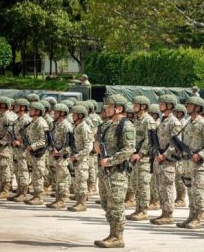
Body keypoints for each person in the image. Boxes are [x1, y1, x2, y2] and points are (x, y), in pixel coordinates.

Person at [94, 94, 135, 248]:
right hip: (104, 172)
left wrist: (110, 161)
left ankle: (118, 237)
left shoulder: (126, 126)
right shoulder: (106, 125)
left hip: (117, 172)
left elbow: (129, 149)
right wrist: (96, 145)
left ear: (119, 108)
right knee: (106, 204)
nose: (107, 108)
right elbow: (97, 139)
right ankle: (112, 233)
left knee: (116, 205)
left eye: (111, 106)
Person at [176, 97, 204, 229]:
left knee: (198, 192)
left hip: (198, 164)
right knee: (190, 191)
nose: (187, 106)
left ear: (197, 107)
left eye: (190, 105)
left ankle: (197, 218)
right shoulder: (188, 123)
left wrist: (200, 155)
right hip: (187, 163)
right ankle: (191, 216)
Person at [151, 95, 184, 225]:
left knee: (167, 187)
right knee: (160, 187)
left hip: (168, 160)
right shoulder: (161, 121)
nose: (160, 105)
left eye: (162, 103)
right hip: (159, 159)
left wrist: (164, 155)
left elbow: (176, 143)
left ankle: (168, 214)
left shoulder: (174, 122)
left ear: (170, 105)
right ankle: (163, 212)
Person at [126, 96, 157, 221]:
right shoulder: (136, 120)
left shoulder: (148, 120)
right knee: (135, 183)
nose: (133, 106)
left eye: (136, 104)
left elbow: (149, 140)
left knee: (143, 184)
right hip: (135, 157)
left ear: (143, 106)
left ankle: (143, 210)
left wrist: (140, 154)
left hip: (144, 158)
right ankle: (138, 208)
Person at [67, 105, 94, 212]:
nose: (72, 116)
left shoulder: (84, 128)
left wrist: (77, 156)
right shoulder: (77, 127)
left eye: (74, 114)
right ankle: (78, 201)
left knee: (82, 181)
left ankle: (82, 203)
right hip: (75, 158)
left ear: (80, 115)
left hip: (82, 160)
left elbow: (89, 147)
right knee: (77, 181)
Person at [0, 97, 18, 199]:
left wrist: (1, 141)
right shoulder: (1, 116)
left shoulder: (8, 117)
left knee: (5, 168)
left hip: (6, 147)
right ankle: (2, 188)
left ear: (4, 105)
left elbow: (10, 133)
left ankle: (6, 190)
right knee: (0, 168)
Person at [47, 104, 73, 209]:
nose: (54, 114)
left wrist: (61, 152)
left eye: (57, 112)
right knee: (58, 178)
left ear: (62, 113)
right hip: (55, 155)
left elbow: (70, 143)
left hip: (63, 156)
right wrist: (52, 149)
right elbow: (51, 140)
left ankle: (61, 200)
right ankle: (58, 198)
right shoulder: (56, 124)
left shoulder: (66, 125)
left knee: (63, 178)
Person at [9, 99, 33, 202]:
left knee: (23, 171)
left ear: (23, 107)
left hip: (23, 150)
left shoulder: (27, 120)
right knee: (17, 170)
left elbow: (30, 136)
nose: (14, 107)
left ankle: (24, 193)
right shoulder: (17, 120)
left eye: (17, 106)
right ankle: (19, 191)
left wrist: (21, 143)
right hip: (16, 149)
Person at [173, 104, 189, 208]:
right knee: (176, 177)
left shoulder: (184, 123)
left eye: (177, 112)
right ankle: (178, 197)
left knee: (180, 177)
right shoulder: (176, 123)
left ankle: (181, 198)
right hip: (175, 154)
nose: (175, 114)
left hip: (182, 155)